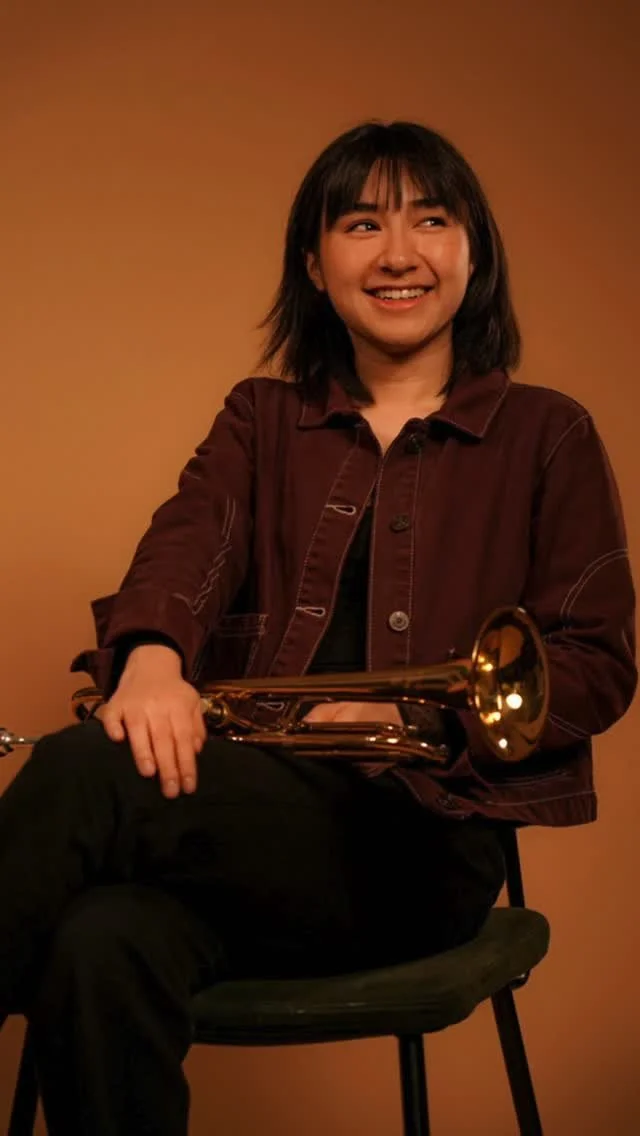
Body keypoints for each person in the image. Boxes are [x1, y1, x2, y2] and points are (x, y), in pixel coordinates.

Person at [0, 120, 635, 1135]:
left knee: (86, 771)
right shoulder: (261, 418)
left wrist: (426, 720)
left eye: (431, 221)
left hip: (423, 847)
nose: (398, 253)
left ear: (473, 252)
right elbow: (188, 540)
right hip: (242, 836)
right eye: (362, 224)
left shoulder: (548, 435)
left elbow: (595, 656)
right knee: (97, 941)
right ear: (314, 260)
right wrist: (153, 656)